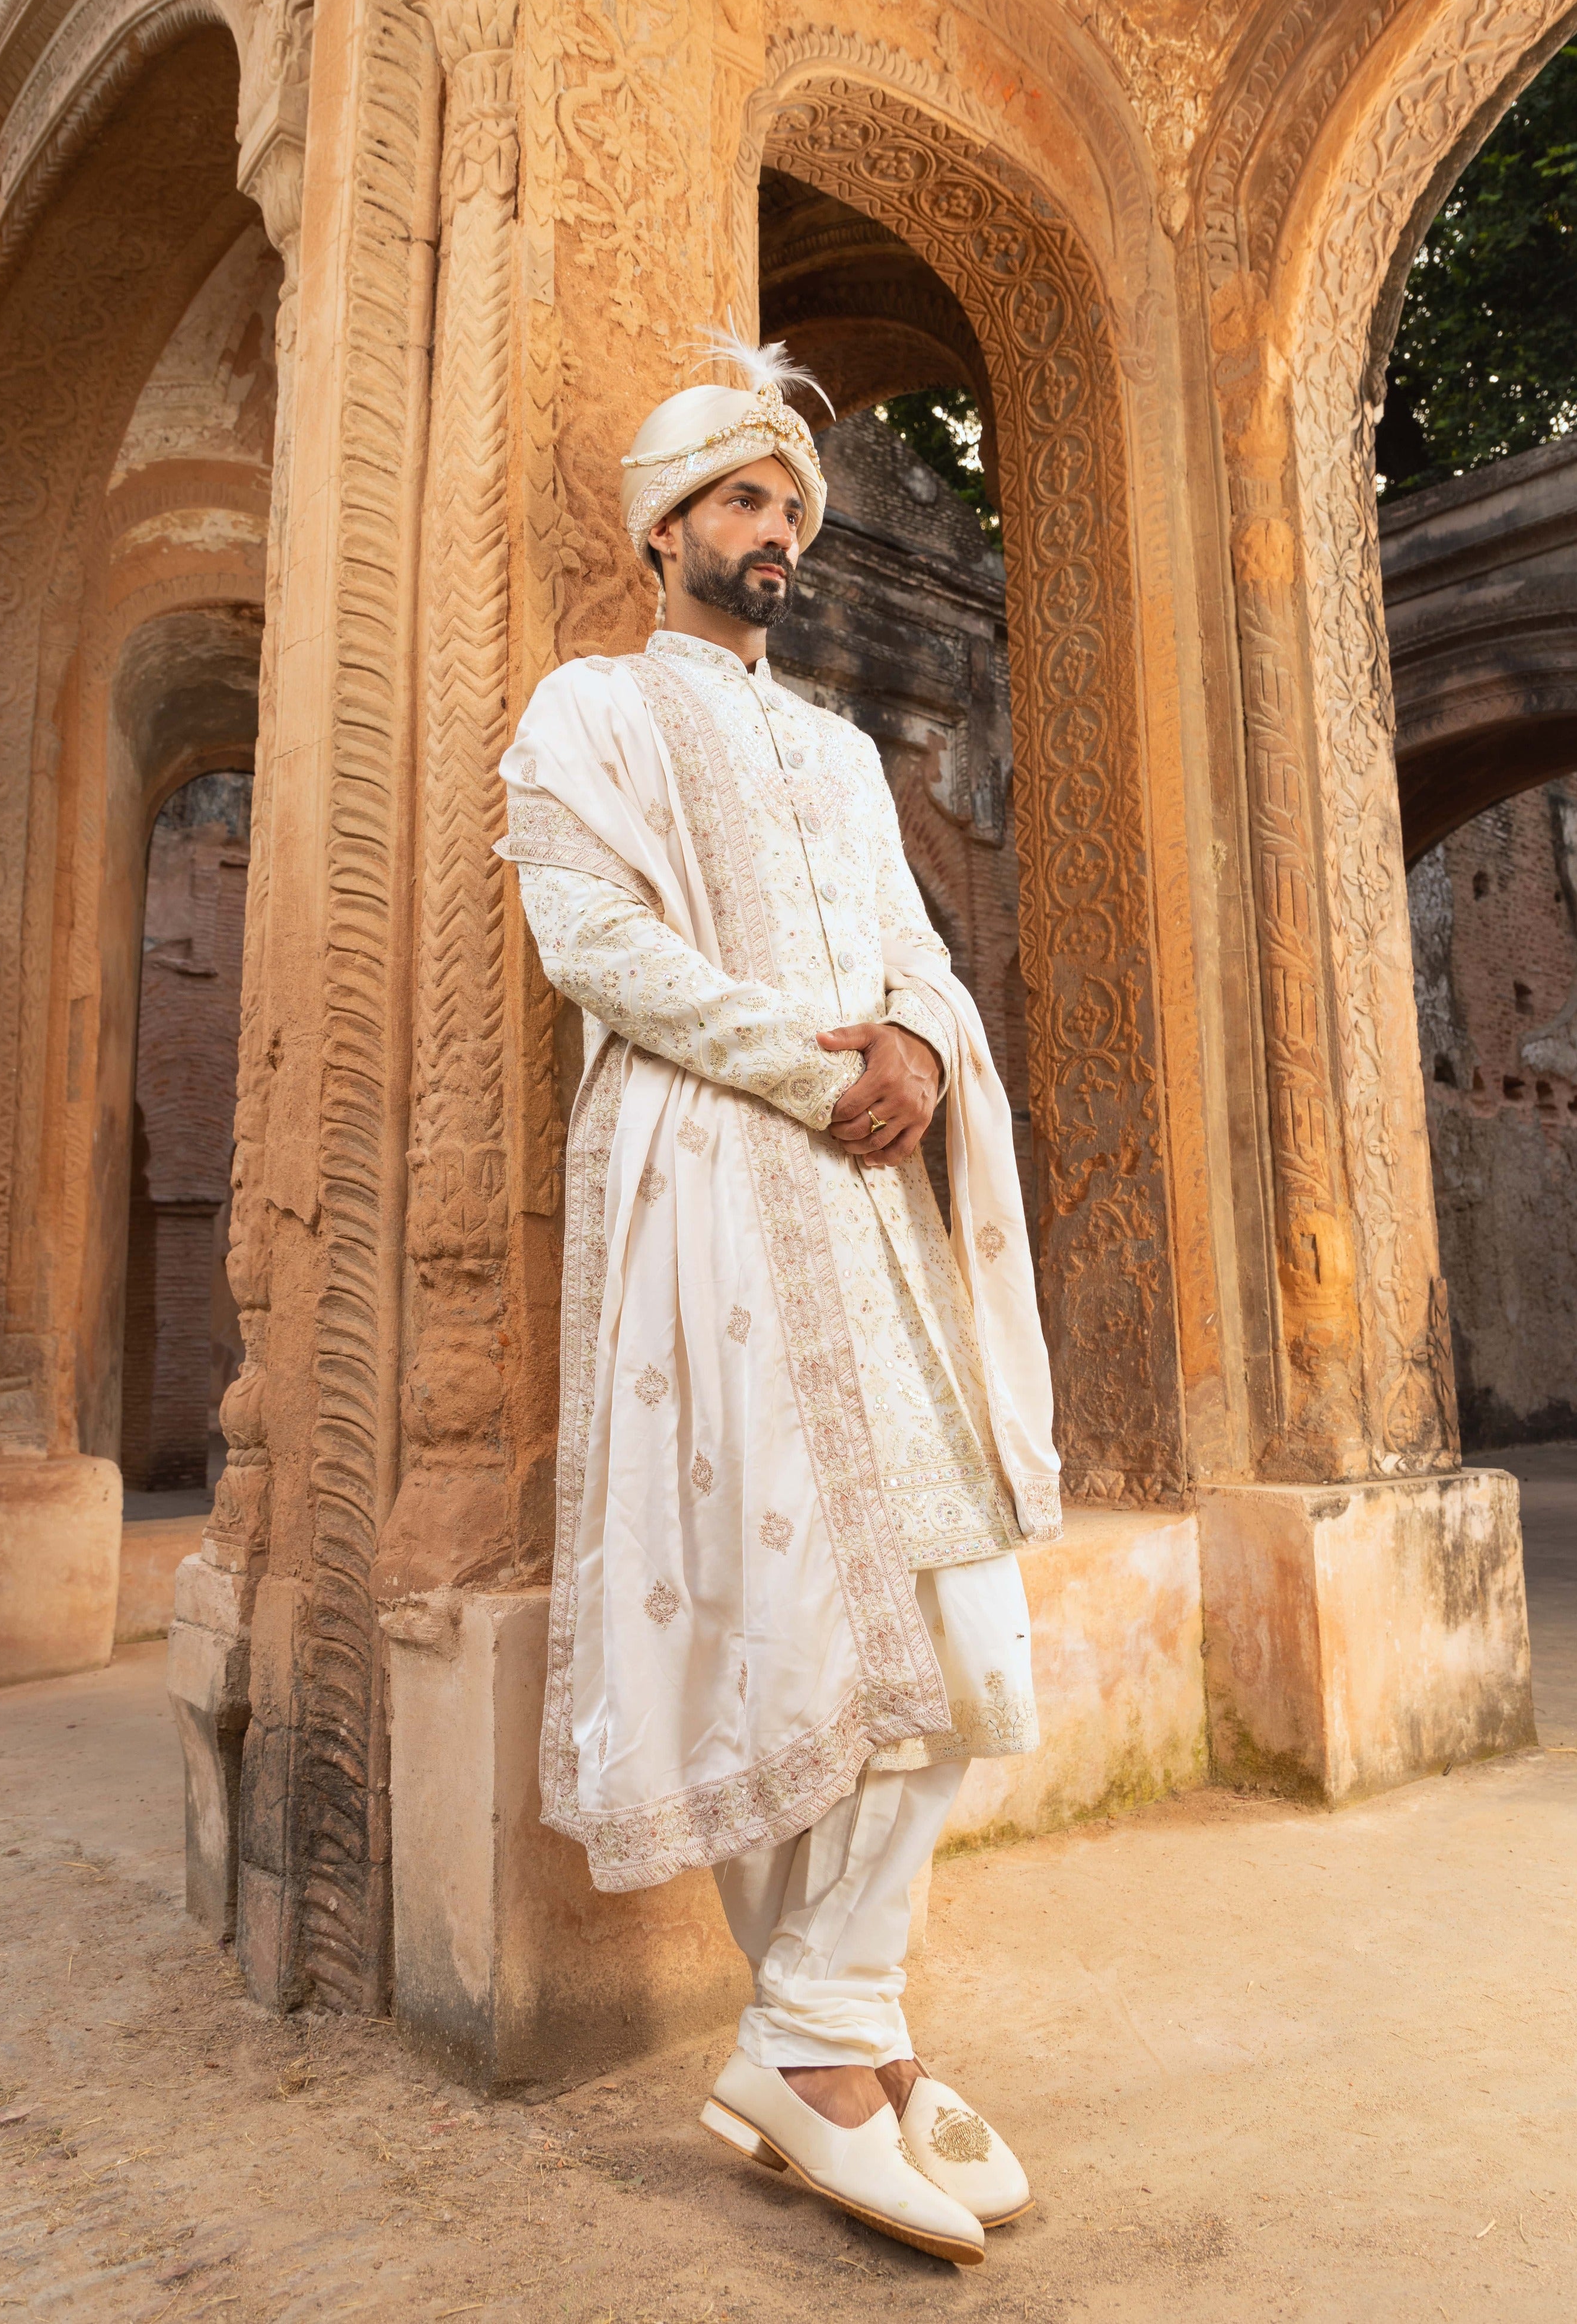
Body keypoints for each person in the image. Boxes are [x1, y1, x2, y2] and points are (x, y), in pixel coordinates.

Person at [496, 336, 1060, 2266]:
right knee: (784, 1629)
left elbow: (911, 948)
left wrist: (911, 1039)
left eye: (794, 512)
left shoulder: (833, 752)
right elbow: (593, 947)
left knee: (960, 1630)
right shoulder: (586, 712)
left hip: (867, 1209)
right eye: (743, 502)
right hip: (711, 1197)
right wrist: (817, 1072)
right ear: (664, 526)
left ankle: (825, 2032)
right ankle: (839, 2059)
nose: (777, 537)